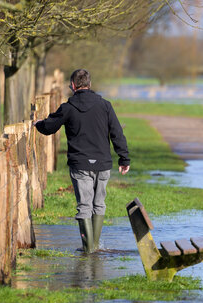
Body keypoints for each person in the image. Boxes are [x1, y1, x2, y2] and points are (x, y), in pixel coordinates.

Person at [33, 69, 130, 253]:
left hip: (80, 165)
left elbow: (50, 127)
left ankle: (89, 248)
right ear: (90, 85)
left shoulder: (68, 108)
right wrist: (124, 158)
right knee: (99, 204)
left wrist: (38, 124)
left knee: (84, 205)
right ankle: (95, 247)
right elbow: (117, 133)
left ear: (72, 86)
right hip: (103, 164)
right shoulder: (105, 106)